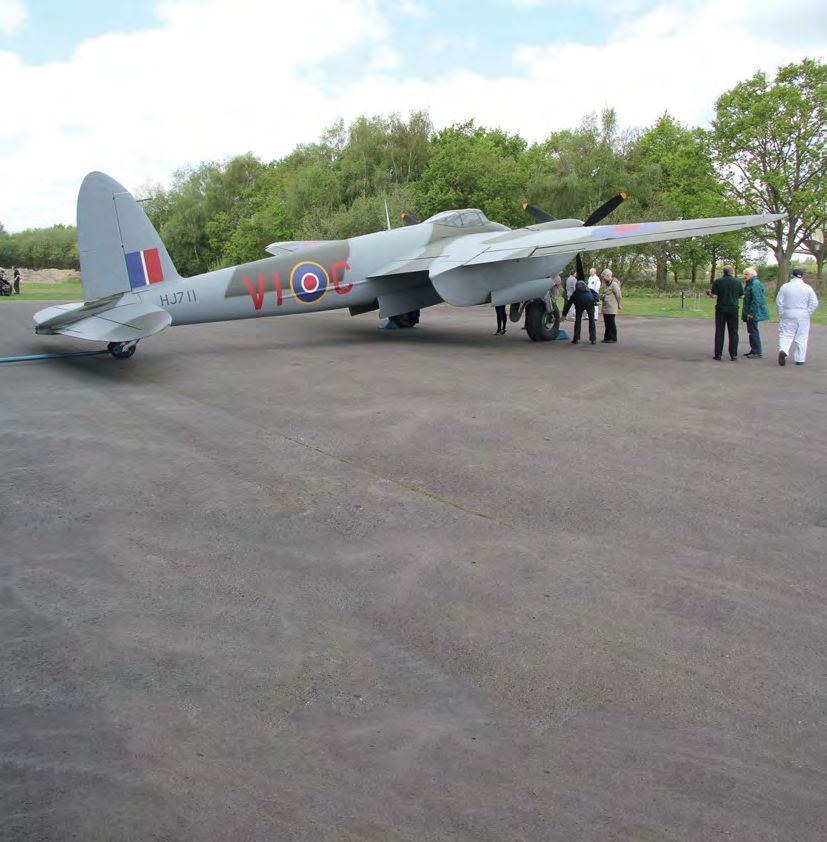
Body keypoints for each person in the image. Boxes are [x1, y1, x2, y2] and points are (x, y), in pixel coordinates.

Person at [776, 268, 819, 366]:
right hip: (802, 313)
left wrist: (781, 313)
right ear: (802, 276)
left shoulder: (785, 286)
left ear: (792, 275)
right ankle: (800, 358)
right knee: (802, 336)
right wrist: (808, 312)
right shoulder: (807, 287)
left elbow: (779, 301)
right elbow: (814, 302)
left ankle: (783, 350)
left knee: (786, 333)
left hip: (788, 312)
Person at [708, 265, 743, 360]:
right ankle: (733, 354)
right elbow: (741, 296)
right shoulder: (737, 282)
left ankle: (718, 354)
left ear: (723, 272)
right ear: (732, 272)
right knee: (734, 331)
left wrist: (709, 294)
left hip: (721, 308)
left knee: (720, 331)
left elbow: (714, 296)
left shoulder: (718, 281)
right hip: (733, 308)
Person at [741, 267, 769, 358]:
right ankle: (754, 350)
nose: (745, 276)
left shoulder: (755, 284)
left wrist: (751, 313)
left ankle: (757, 352)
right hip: (750, 310)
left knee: (753, 331)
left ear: (752, 275)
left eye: (746, 274)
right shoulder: (750, 283)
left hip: (753, 311)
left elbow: (756, 300)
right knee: (751, 331)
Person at [562, 280, 597, 344]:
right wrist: (595, 301)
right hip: (590, 302)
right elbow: (596, 295)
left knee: (578, 320)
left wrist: (564, 314)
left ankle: (576, 339)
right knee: (592, 320)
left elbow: (569, 304)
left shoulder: (576, 293)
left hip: (579, 303)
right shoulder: (590, 290)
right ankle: (593, 339)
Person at [600, 269, 622, 342]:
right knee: (607, 323)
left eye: (604, 276)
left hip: (611, 307)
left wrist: (619, 304)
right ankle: (607, 337)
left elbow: (618, 295)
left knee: (611, 322)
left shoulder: (614, 284)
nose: (603, 278)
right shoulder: (606, 284)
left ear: (608, 275)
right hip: (606, 306)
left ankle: (613, 338)